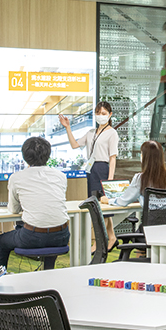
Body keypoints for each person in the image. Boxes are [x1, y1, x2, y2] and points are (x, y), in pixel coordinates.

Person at [0, 137, 70, 269]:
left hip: (32, 237)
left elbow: (13, 210)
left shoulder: (16, 177)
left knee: (0, 241)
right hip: (61, 236)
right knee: (51, 237)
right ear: (48, 155)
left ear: (25, 156)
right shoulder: (61, 176)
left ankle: (0, 278)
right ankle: (48, 273)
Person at [60, 102, 120, 250]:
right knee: (96, 206)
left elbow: (112, 158)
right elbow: (75, 145)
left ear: (110, 115)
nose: (100, 116)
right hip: (91, 169)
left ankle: (99, 241)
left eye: (103, 113)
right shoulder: (91, 132)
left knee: (102, 206)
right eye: (98, 113)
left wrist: (110, 180)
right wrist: (68, 128)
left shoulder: (112, 133)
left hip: (103, 169)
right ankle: (111, 237)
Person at [101, 140, 166, 207]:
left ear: (144, 158)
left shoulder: (140, 178)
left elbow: (124, 201)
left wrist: (108, 201)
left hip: (152, 218)